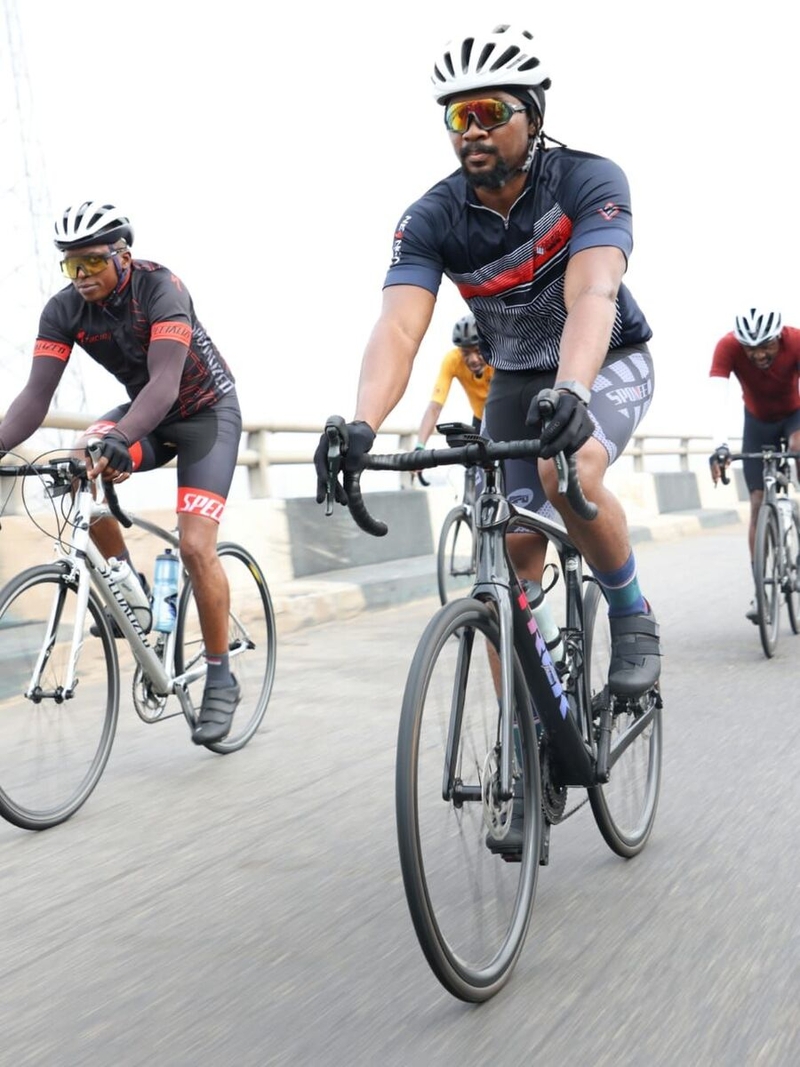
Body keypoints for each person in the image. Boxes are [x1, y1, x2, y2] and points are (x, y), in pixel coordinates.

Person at [315, 23, 661, 701]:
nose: (470, 129)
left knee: (570, 470)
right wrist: (362, 423)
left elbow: (593, 289)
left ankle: (630, 613)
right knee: (510, 560)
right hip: (516, 377)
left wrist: (575, 388)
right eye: (456, 116)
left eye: (490, 112)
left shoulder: (587, 180)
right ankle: (527, 740)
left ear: (532, 117)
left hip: (604, 359)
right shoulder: (432, 217)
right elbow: (400, 325)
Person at [0, 201, 243, 744]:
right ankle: (125, 588)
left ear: (123, 256)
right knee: (80, 465)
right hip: (145, 419)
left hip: (205, 416)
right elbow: (35, 397)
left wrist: (120, 437)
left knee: (197, 546)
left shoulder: (161, 289)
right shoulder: (62, 311)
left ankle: (221, 677)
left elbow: (163, 384)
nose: (81, 277)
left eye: (91, 262)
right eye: (70, 266)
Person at [708, 307, 800, 622]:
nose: (758, 354)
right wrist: (719, 445)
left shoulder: (796, 341)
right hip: (757, 422)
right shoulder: (728, 347)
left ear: (779, 337)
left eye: (766, 347)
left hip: (794, 417)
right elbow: (717, 397)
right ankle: (761, 590)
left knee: (799, 446)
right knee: (758, 502)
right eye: (751, 348)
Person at [414, 313, 494, 449]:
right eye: (466, 353)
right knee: (474, 464)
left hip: (501, 415)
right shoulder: (452, 360)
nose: (473, 359)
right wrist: (420, 446)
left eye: (477, 350)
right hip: (480, 419)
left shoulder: (495, 356)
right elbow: (435, 406)